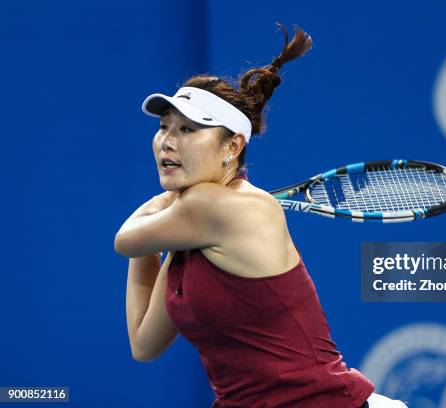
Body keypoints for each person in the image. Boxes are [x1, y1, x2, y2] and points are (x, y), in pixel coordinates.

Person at [114, 24, 408, 408]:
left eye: (188, 129)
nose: (168, 140)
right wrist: (158, 234)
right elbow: (143, 343)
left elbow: (126, 239)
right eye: (164, 127)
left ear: (233, 146)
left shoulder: (213, 207)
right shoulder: (189, 230)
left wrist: (161, 210)